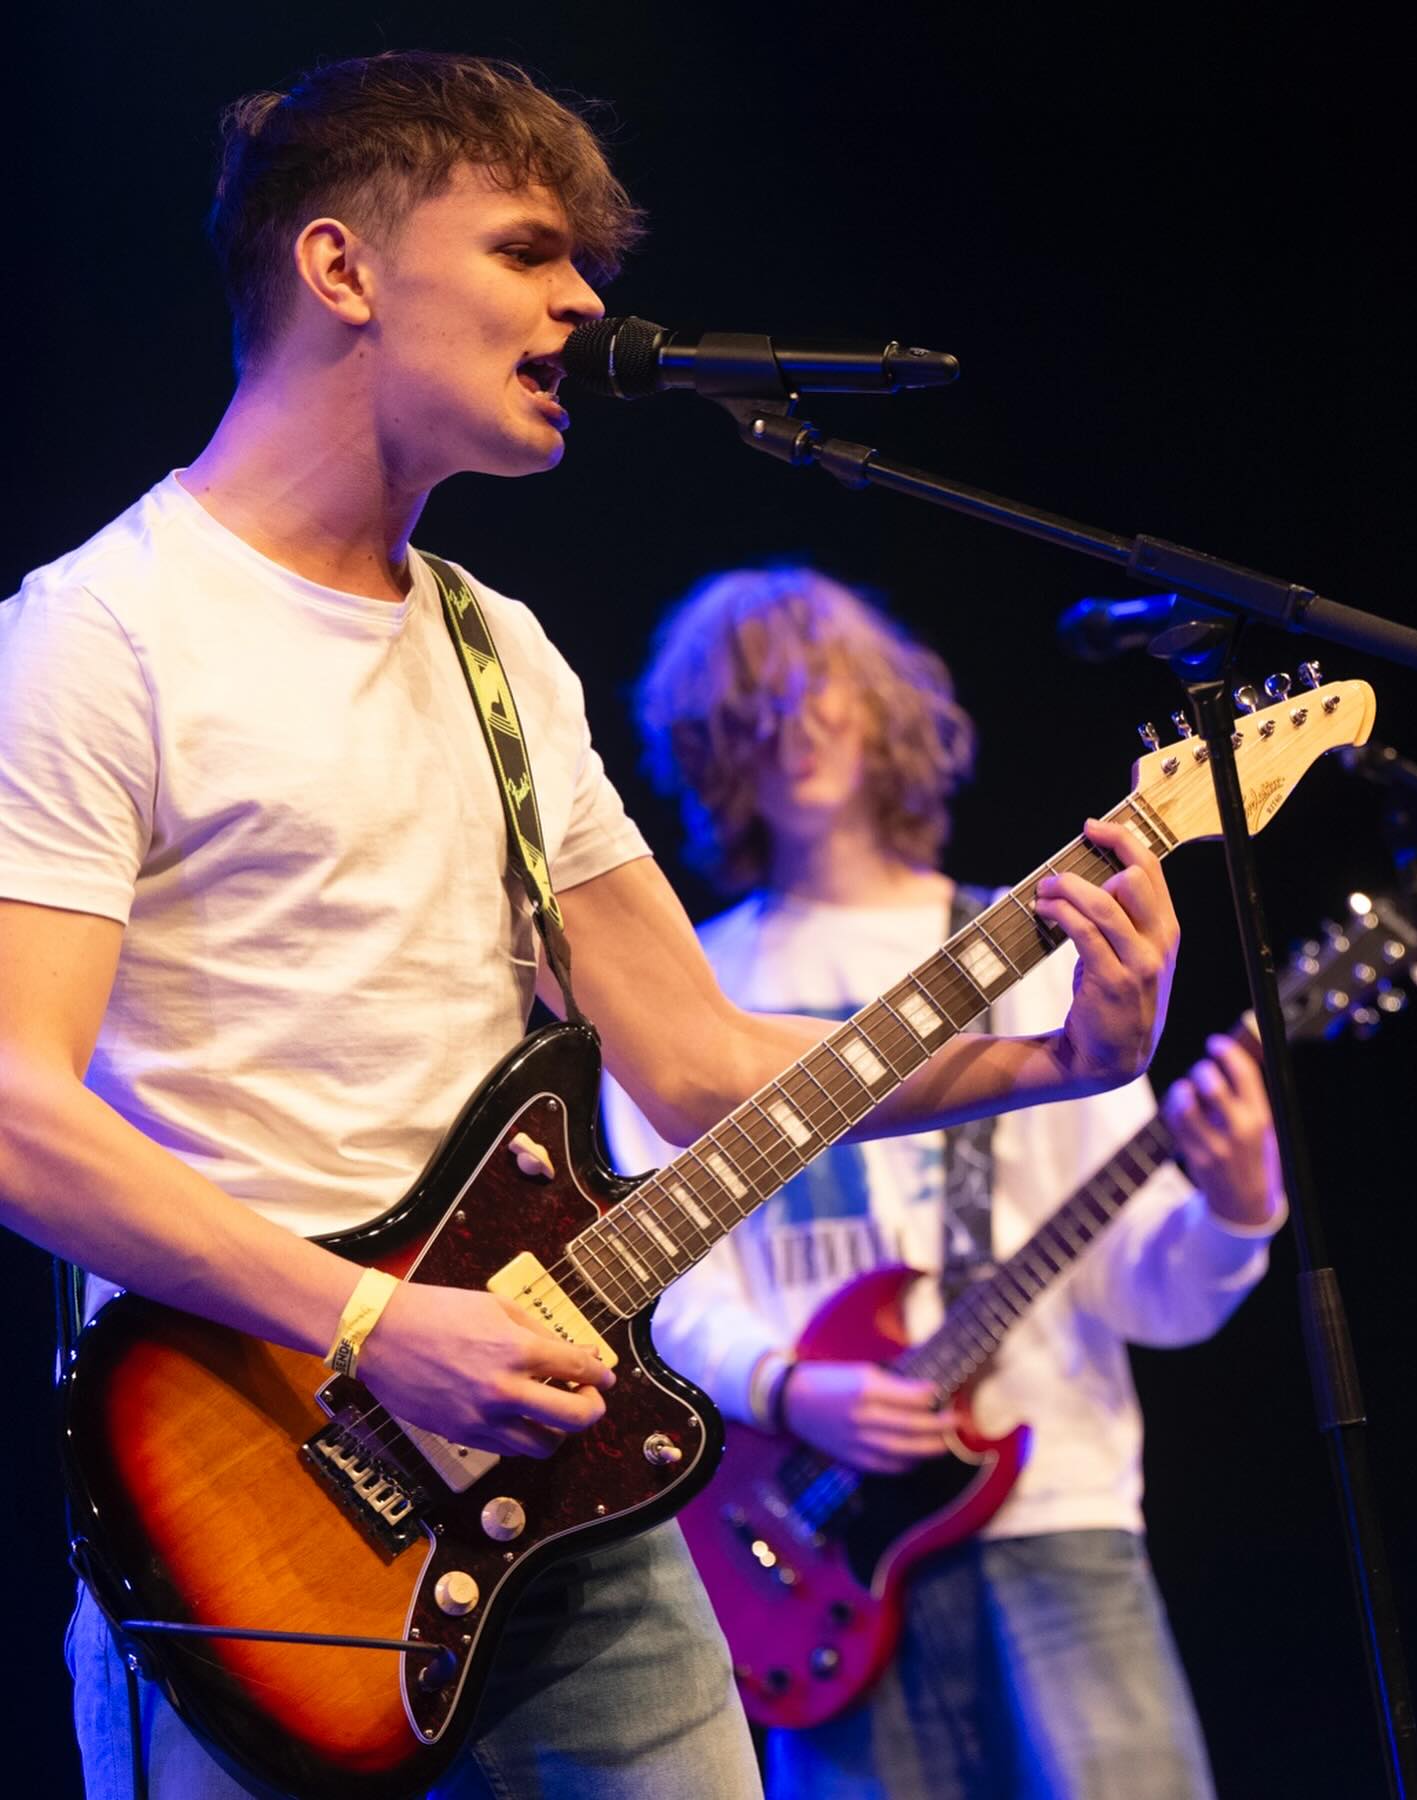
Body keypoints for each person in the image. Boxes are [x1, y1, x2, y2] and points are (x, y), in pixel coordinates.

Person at [0, 53, 1183, 1800]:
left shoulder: (503, 655)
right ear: (340, 270)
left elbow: (703, 1070)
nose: (584, 302)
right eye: (530, 251)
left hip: (566, 1471)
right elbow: (20, 1111)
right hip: (250, 1509)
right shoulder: (99, 635)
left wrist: (1053, 1058)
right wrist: (369, 1324)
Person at [602, 566, 1286, 1799]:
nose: (795, 727)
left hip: (1055, 1514)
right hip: (795, 1553)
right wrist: (790, 1388)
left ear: (885, 708)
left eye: (819, 693)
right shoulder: (686, 993)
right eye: (754, 709)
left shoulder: (1021, 939)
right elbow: (661, 1281)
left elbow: (1144, 1288)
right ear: (711, 749)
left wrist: (1238, 1214)